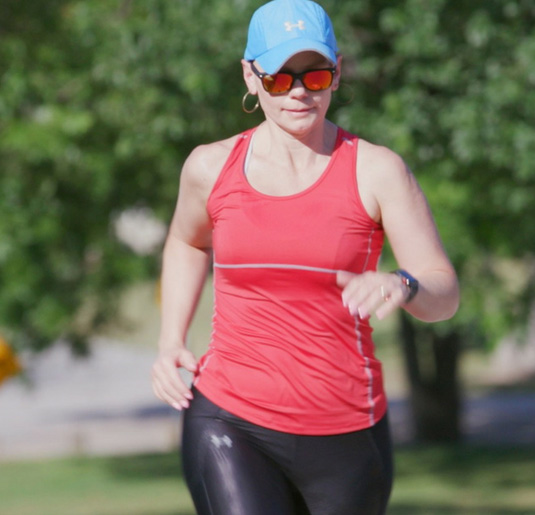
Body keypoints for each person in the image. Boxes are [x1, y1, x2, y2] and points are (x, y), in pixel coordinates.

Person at [149, 1, 459, 513]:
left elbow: (443, 292)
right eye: (278, 78)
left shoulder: (377, 171)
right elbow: (186, 241)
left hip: (345, 430)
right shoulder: (210, 167)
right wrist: (169, 341)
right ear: (251, 77)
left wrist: (403, 284)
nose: (298, 91)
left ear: (335, 76)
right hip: (229, 416)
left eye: (314, 75)